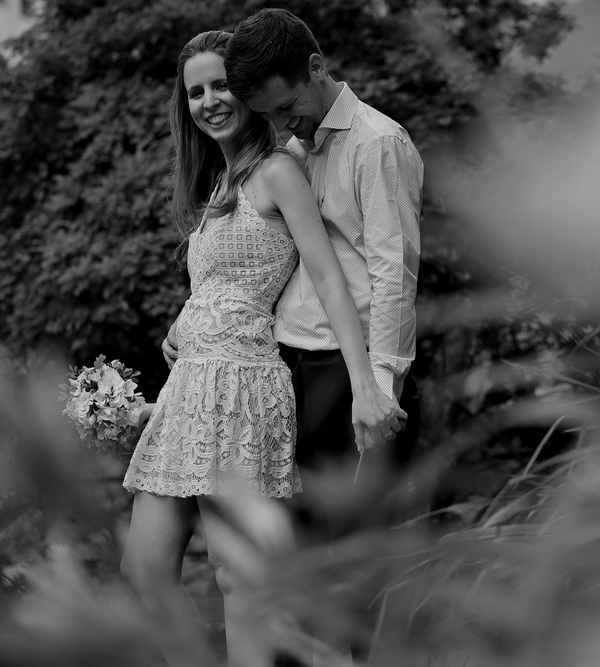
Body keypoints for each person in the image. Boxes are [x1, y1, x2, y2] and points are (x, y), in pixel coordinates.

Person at [120, 30, 404, 667]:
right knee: (143, 566)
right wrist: (185, 323)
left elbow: (329, 276)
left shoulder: (279, 169)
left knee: (237, 581)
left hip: (245, 390)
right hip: (189, 387)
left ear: (246, 93)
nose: (210, 101)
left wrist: (366, 384)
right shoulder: (216, 183)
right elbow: (224, 282)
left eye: (221, 85)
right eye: (196, 91)